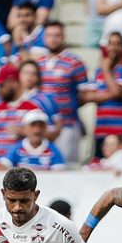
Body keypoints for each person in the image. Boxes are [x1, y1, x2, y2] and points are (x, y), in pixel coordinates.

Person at [37, 21, 88, 165]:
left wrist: (68, 107)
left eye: (57, 35)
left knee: (66, 166)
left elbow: (84, 95)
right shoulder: (39, 62)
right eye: (49, 35)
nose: (53, 39)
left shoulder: (75, 62)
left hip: (67, 125)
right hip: (42, 126)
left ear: (63, 37)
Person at [0, 110, 65, 170]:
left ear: (46, 128)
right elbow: (2, 166)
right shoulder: (17, 148)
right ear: (24, 128)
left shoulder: (53, 150)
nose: (37, 130)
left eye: (41, 126)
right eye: (32, 126)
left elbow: (59, 171)